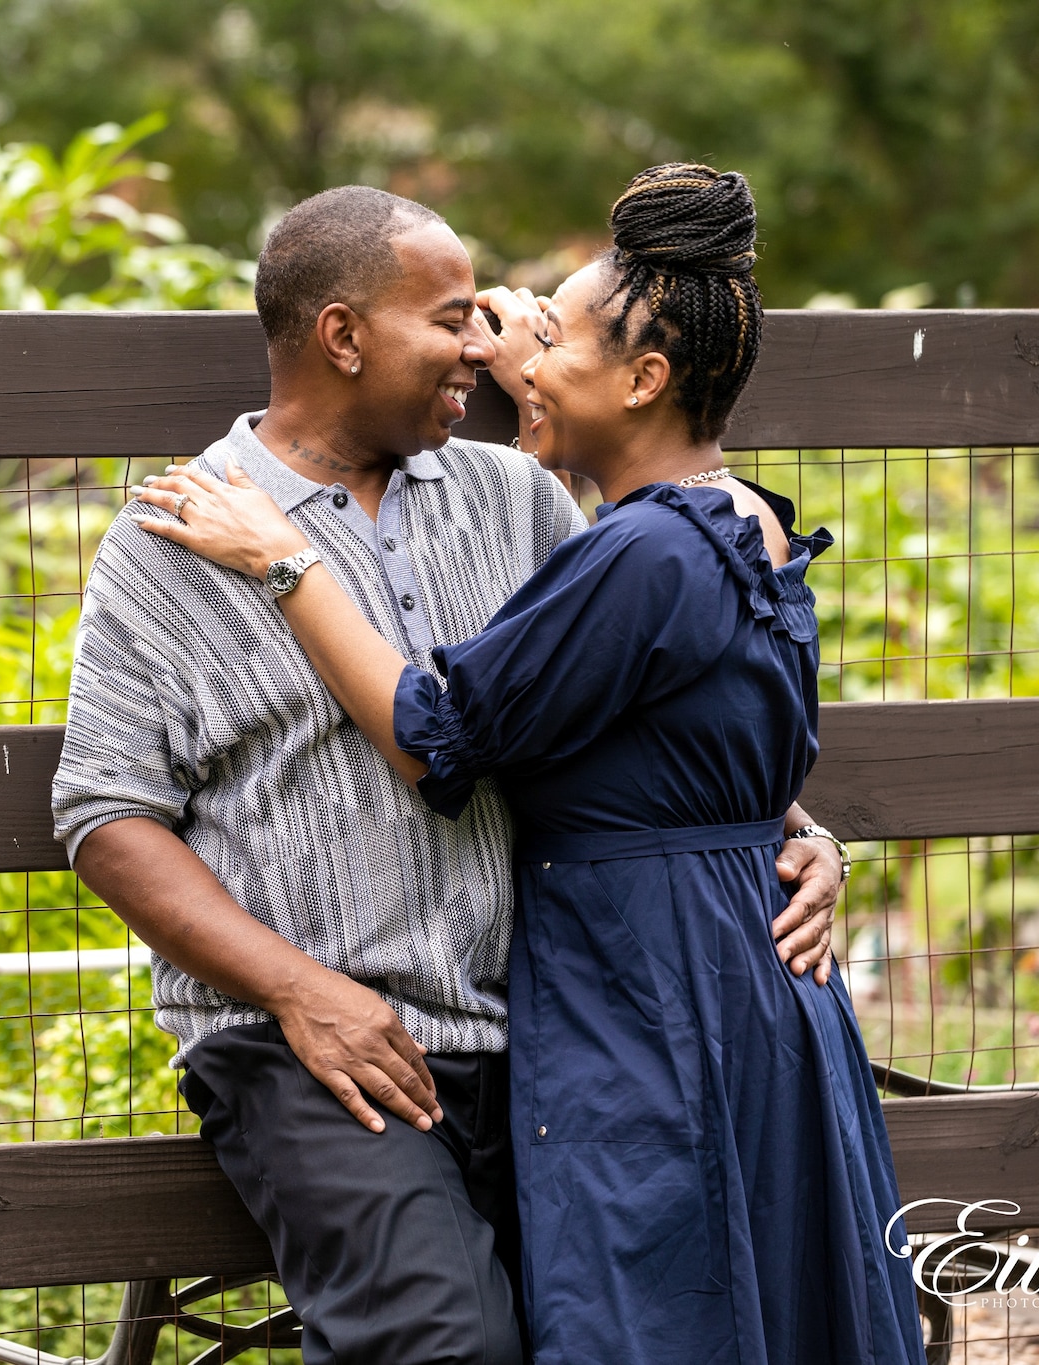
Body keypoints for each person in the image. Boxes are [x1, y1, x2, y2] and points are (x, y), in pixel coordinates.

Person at [132, 165, 924, 1364]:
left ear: (643, 378)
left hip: (645, 998)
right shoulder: (720, 520)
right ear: (341, 336)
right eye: (466, 326)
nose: (500, 356)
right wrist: (786, 829)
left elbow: (436, 733)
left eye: (535, 335)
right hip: (669, 985)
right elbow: (672, 714)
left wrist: (290, 560)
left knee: (662, 1321)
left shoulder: (609, 540)